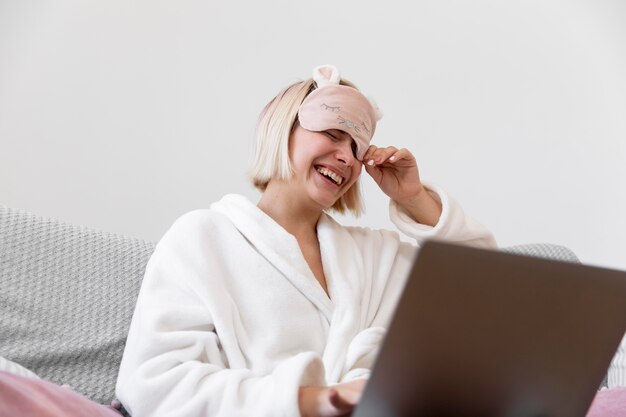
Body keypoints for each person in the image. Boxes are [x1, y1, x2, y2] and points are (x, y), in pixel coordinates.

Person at [115, 64, 497, 417]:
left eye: (357, 149)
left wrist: (413, 197)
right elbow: (154, 384)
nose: (346, 157)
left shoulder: (374, 255)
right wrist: (316, 400)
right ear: (283, 130)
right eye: (333, 134)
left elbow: (486, 287)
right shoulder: (202, 239)